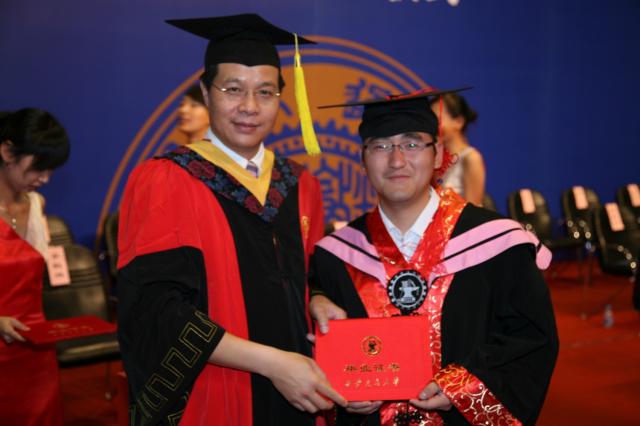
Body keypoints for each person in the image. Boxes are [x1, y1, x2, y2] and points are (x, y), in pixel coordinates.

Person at [116, 13, 346, 425]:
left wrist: (317, 299)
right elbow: (156, 309)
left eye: (265, 92)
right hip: (218, 390)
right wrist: (273, 363)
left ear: (281, 97)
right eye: (233, 89)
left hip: (297, 390)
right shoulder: (167, 180)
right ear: (206, 93)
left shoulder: (299, 184)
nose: (249, 107)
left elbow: (306, 273)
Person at [309, 89, 559, 425]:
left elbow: (531, 340)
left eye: (412, 144)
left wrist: (461, 388)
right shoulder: (336, 256)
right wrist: (342, 394)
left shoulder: (499, 246)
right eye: (380, 146)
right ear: (363, 158)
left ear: (438, 152)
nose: (397, 161)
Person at [0, 108, 70, 425]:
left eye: (51, 169)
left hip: (34, 347)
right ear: (7, 153)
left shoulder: (36, 204)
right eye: (39, 167)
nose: (45, 179)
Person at [430, 93, 485, 206]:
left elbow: (473, 210)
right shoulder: (433, 158)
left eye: (437, 120)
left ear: (459, 122)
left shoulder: (471, 158)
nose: (432, 127)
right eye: (430, 121)